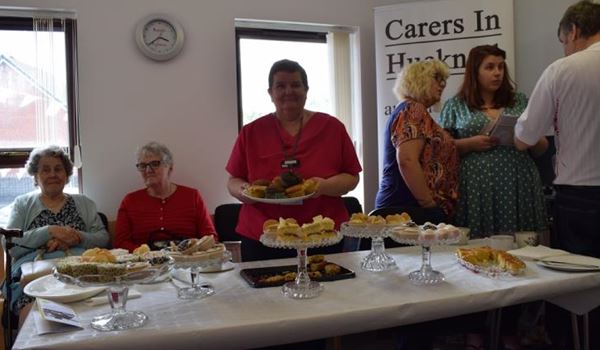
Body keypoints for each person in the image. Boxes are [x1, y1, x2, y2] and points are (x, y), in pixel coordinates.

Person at [514, 1, 600, 348]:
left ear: (574, 31)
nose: (564, 47)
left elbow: (523, 137)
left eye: (563, 40)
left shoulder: (562, 70)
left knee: (579, 287)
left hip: (581, 198)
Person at [226, 59, 362, 262]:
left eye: (296, 85)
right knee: (264, 292)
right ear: (270, 93)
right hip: (263, 234)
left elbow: (352, 177)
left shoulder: (332, 127)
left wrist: (323, 186)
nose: (288, 91)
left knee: (328, 291)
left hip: (321, 234)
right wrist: (245, 192)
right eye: (280, 86)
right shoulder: (252, 131)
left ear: (306, 90)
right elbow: (233, 179)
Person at [439, 45, 548, 237]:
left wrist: (528, 138)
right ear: (475, 71)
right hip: (475, 184)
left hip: (517, 179)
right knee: (478, 246)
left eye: (500, 67)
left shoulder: (519, 101)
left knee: (520, 244)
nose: (497, 73)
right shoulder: (455, 105)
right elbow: (441, 150)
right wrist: (469, 144)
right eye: (489, 67)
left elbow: (542, 148)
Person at [5, 145, 109, 324]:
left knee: (99, 310)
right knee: (34, 315)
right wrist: (50, 231)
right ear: (36, 177)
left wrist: (77, 237)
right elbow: (11, 245)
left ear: (67, 175)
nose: (53, 174)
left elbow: (103, 239)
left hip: (81, 273)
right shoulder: (22, 204)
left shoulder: (84, 203)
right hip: (34, 277)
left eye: (58, 169)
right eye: (45, 170)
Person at [375, 59, 458, 223]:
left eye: (444, 80)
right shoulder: (413, 109)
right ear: (417, 78)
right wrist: (429, 205)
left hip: (408, 208)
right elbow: (407, 160)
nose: (442, 84)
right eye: (437, 78)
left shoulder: (409, 109)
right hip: (408, 211)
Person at [115, 142, 217, 251]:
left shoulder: (192, 196)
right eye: (143, 166)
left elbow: (211, 238)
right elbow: (120, 243)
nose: (148, 170)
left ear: (170, 167)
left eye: (155, 164)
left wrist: (192, 249)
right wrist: (147, 255)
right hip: (145, 264)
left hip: (186, 263)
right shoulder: (130, 201)